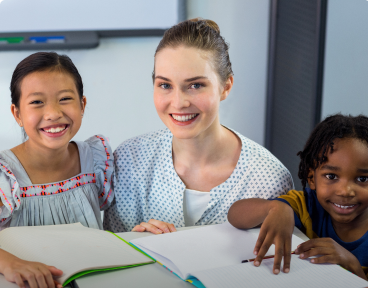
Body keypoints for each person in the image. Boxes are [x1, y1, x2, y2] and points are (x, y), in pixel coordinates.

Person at [103, 18, 293, 234]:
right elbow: (113, 253)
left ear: (225, 87)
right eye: (165, 85)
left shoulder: (269, 179)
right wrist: (136, 244)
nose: (178, 102)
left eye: (195, 85)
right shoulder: (129, 161)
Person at [0, 52, 114, 288]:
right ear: (17, 114)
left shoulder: (96, 159)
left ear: (82, 105)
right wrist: (10, 263)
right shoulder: (5, 175)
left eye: (64, 99)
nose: (52, 113)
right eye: (37, 102)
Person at [228, 114, 368, 281]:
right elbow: (235, 215)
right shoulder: (306, 205)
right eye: (331, 176)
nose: (345, 191)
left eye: (362, 179)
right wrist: (274, 208)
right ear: (311, 178)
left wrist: (353, 266)